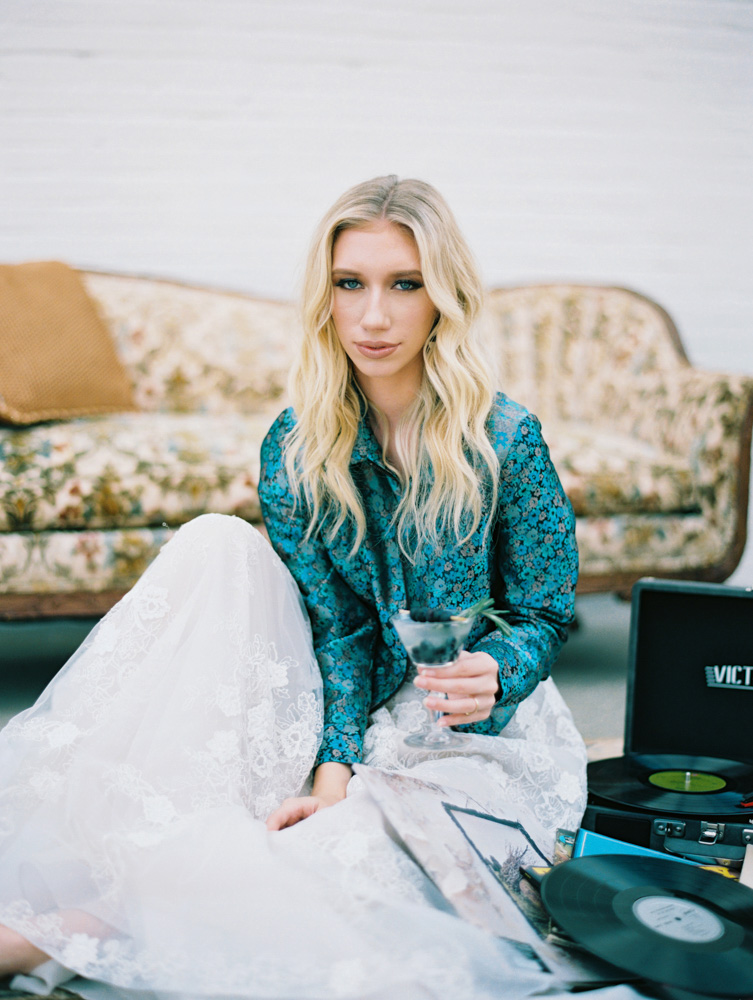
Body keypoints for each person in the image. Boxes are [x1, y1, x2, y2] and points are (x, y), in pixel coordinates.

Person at [0, 175, 594, 1000]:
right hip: (343, 698)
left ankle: (63, 932)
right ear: (326, 296)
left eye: (404, 285)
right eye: (351, 284)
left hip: (471, 727)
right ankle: (76, 912)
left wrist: (503, 665)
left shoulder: (506, 438)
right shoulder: (294, 446)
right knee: (215, 543)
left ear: (442, 298)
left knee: (332, 864)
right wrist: (333, 770)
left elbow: (543, 609)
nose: (374, 317)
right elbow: (339, 631)